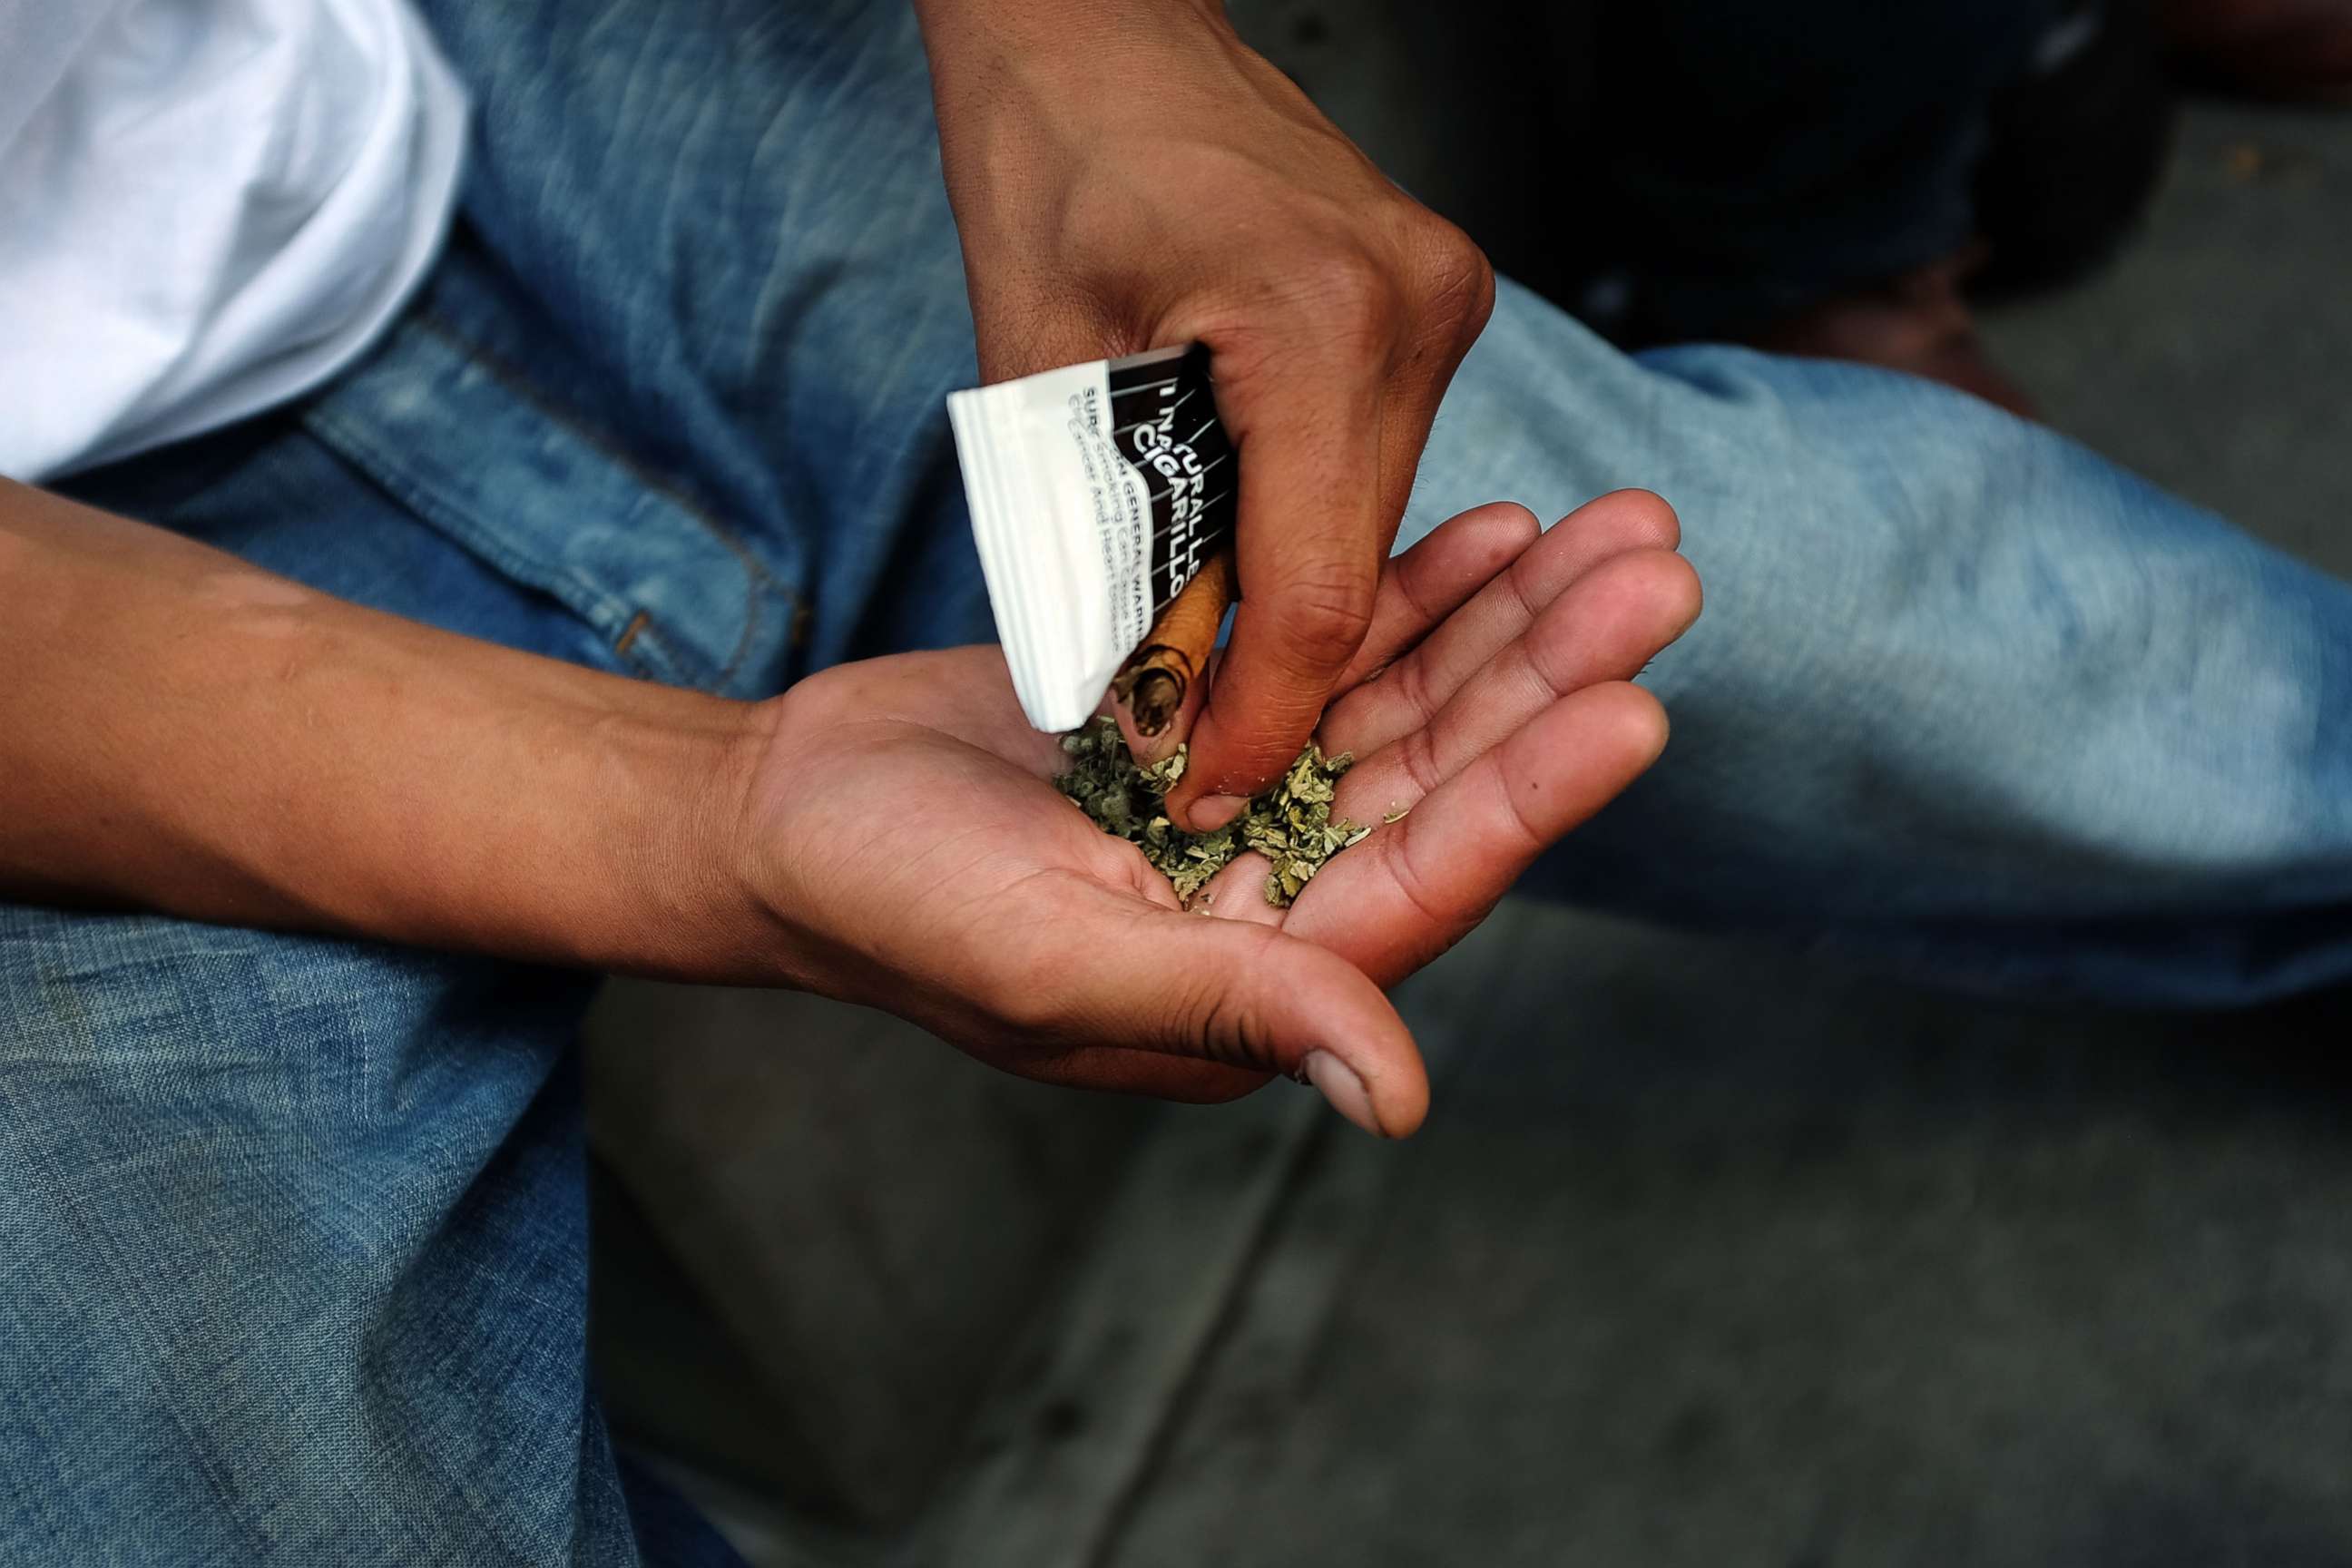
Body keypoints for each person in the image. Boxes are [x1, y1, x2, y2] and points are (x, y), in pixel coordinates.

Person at [2, 0, 2347, 1562]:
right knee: (223, 1470)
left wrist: (1076, 39)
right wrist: (710, 824)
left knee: (1794, 600)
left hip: (463, 73)